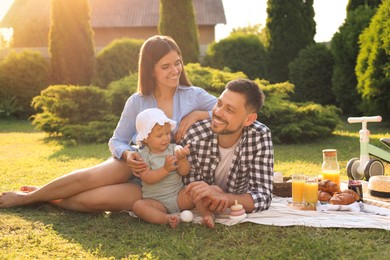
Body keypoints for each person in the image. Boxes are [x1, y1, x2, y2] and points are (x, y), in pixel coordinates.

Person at [0, 35, 217, 212]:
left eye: (177, 63)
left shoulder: (194, 95)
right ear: (151, 69)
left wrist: (199, 114)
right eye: (166, 66)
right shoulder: (137, 101)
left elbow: (227, 112)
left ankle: (48, 197)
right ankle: (26, 199)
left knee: (89, 201)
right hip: (133, 166)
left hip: (159, 186)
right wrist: (127, 155)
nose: (175, 70)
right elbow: (117, 140)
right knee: (87, 178)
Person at [182, 78, 274, 214]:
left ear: (249, 119)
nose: (218, 112)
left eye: (229, 110)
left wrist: (224, 197)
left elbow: (263, 196)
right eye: (219, 104)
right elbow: (190, 189)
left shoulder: (260, 135)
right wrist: (210, 196)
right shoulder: (194, 136)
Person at [131, 108, 214, 228]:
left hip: (178, 196)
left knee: (195, 191)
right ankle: (166, 218)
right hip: (157, 201)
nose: (165, 138)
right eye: (159, 136)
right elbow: (147, 178)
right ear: (145, 138)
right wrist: (165, 169)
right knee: (138, 206)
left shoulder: (174, 148)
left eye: (167, 133)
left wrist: (182, 159)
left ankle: (207, 214)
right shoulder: (142, 155)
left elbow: (184, 172)